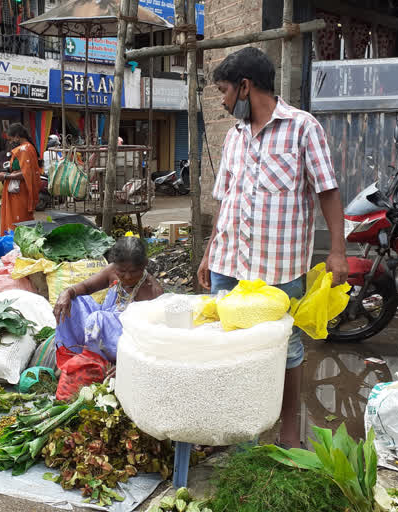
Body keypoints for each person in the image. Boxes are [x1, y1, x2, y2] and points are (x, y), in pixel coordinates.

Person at [198, 47, 348, 449]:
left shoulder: (302, 127)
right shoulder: (234, 136)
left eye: (225, 90)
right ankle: (235, 427)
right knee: (227, 343)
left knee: (285, 346)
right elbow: (224, 198)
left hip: (278, 267)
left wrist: (337, 251)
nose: (223, 100)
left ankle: (289, 432)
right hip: (229, 262)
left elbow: (328, 192)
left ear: (245, 87)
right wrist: (209, 250)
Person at [52, 236, 163, 399]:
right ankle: (73, 360)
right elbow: (86, 287)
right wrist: (66, 293)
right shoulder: (112, 271)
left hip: (124, 341)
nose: (126, 277)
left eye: (132, 272)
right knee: (75, 302)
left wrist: (125, 364)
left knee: (98, 319)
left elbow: (149, 340)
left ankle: (94, 366)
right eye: (121, 271)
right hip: (98, 332)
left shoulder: (151, 292)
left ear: (144, 265)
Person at [0, 123, 42, 235]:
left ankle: (17, 245)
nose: (11, 143)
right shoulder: (27, 147)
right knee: (16, 219)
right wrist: (4, 173)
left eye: (11, 140)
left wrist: (5, 176)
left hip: (20, 192)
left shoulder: (25, 149)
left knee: (18, 220)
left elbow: (26, 173)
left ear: (17, 136)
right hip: (17, 190)